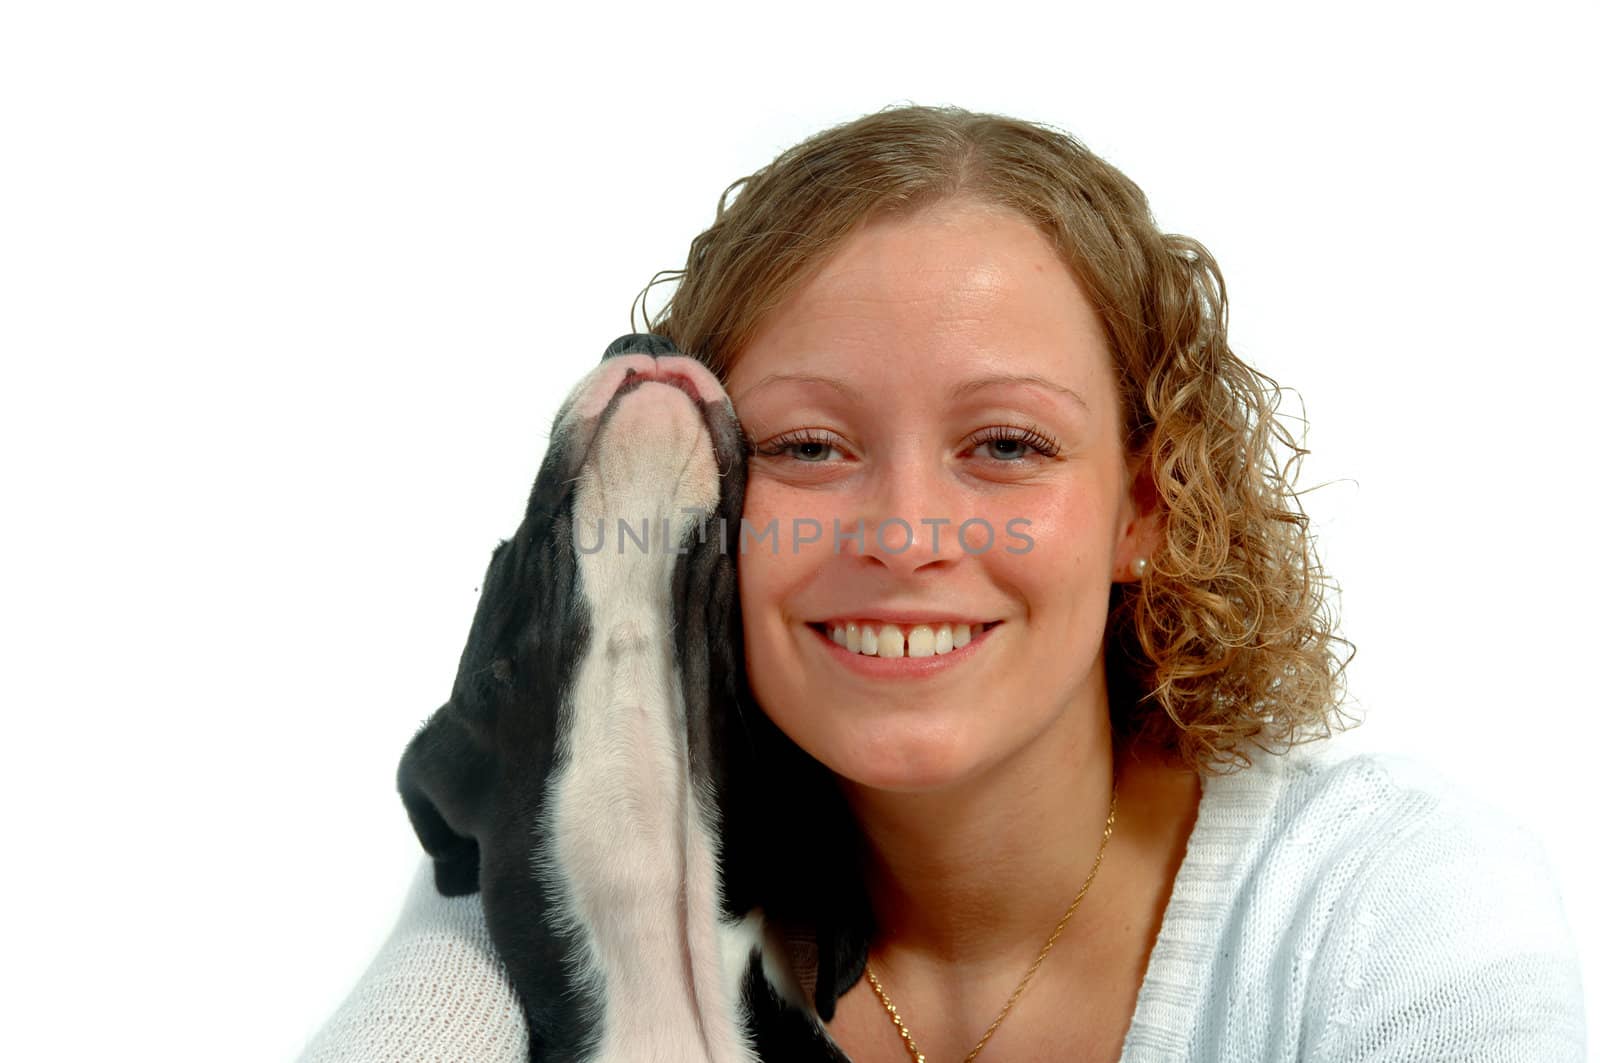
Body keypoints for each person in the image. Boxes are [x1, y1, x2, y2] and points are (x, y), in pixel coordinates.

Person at [298, 104, 1585, 1062]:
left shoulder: (1374, 900)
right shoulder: (592, 851)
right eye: (807, 447)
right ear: (708, 506)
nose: (905, 532)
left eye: (1007, 446)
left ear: (1145, 504)